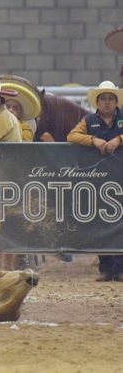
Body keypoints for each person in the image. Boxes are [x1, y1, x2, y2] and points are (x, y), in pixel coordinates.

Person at [67, 81, 123, 281]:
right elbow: (72, 136)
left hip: (120, 179)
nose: (107, 103)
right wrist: (93, 140)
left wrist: (120, 139)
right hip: (99, 180)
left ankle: (120, 268)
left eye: (110, 99)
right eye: (103, 99)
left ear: (116, 101)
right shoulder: (88, 120)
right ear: (97, 102)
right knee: (102, 222)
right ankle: (106, 268)